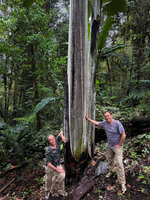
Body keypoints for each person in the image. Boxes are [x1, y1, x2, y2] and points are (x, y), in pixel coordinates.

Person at [85, 111, 127, 193]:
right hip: (110, 146)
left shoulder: (117, 123)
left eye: (108, 116)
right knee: (109, 159)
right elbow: (96, 123)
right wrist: (88, 119)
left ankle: (122, 183)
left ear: (111, 115)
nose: (107, 117)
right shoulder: (105, 123)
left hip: (117, 147)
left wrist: (119, 144)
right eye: (105, 116)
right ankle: (111, 171)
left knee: (119, 163)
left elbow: (123, 135)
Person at [44, 131, 68, 199]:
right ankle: (47, 191)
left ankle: (61, 191)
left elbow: (61, 132)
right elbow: (48, 163)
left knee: (62, 175)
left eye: (53, 139)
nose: (52, 141)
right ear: (49, 142)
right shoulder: (48, 150)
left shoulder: (56, 142)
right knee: (48, 179)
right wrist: (58, 169)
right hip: (50, 166)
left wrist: (62, 136)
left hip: (57, 163)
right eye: (50, 140)